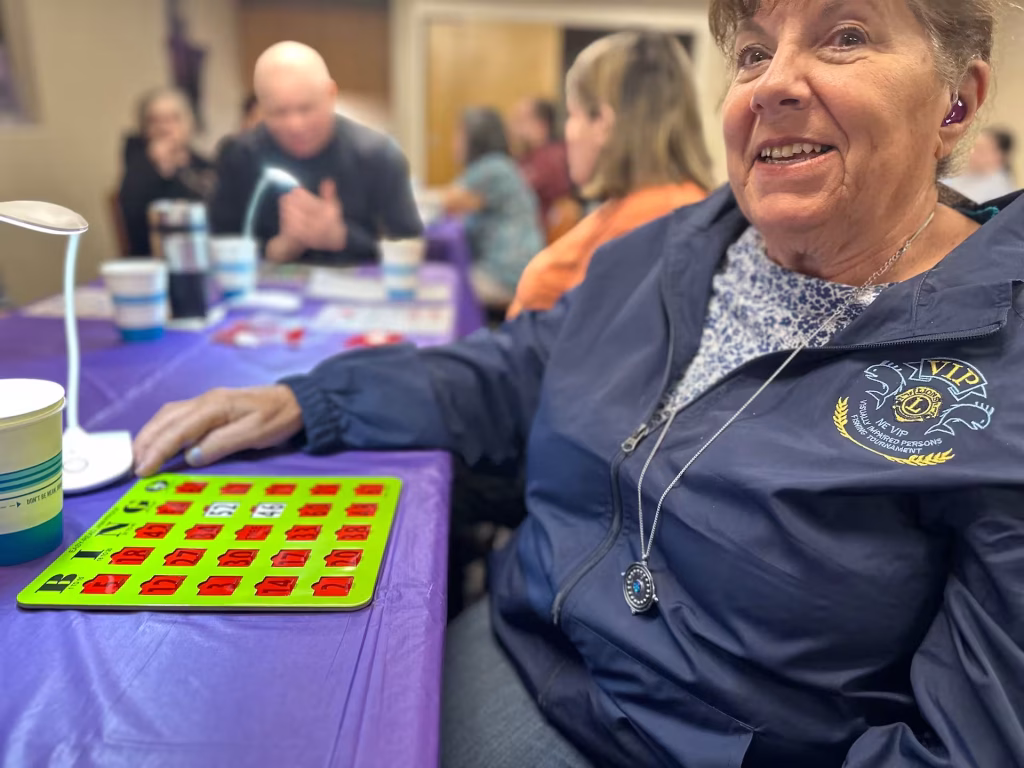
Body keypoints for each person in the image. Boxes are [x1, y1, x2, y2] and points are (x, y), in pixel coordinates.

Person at [134, 0, 1024, 765]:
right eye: (752, 51)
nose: (772, 83)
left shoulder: (1001, 365)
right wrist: (313, 399)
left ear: (959, 101)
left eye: (845, 36)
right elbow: (516, 365)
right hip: (516, 630)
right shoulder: (669, 249)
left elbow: (977, 740)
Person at [508, 32, 714, 318]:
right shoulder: (648, 206)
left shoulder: (657, 220)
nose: (567, 131)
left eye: (572, 114)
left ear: (602, 124)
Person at [209, 42, 422, 265]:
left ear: (331, 95)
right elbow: (217, 245)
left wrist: (342, 238)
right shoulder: (239, 155)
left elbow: (410, 248)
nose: (295, 126)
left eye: (306, 108)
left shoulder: (379, 155)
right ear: (260, 107)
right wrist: (275, 250)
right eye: (278, 112)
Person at [442, 107, 545, 307]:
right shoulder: (501, 166)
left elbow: (448, 201)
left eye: (459, 135)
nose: (454, 143)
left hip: (506, 275)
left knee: (445, 286)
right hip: (519, 270)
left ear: (476, 138)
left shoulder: (492, 167)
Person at [117, 87, 214, 256]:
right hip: (153, 261)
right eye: (154, 121)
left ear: (189, 123)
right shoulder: (138, 168)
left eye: (173, 119)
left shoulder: (204, 166)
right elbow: (134, 222)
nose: (164, 127)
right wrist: (159, 168)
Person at [510, 98, 573, 224]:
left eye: (521, 121)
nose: (513, 128)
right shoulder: (524, 158)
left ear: (541, 125)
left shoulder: (553, 157)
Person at [944, 126, 1017, 202]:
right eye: (973, 147)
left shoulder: (1002, 193)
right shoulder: (959, 175)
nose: (972, 153)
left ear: (999, 157)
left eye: (980, 150)